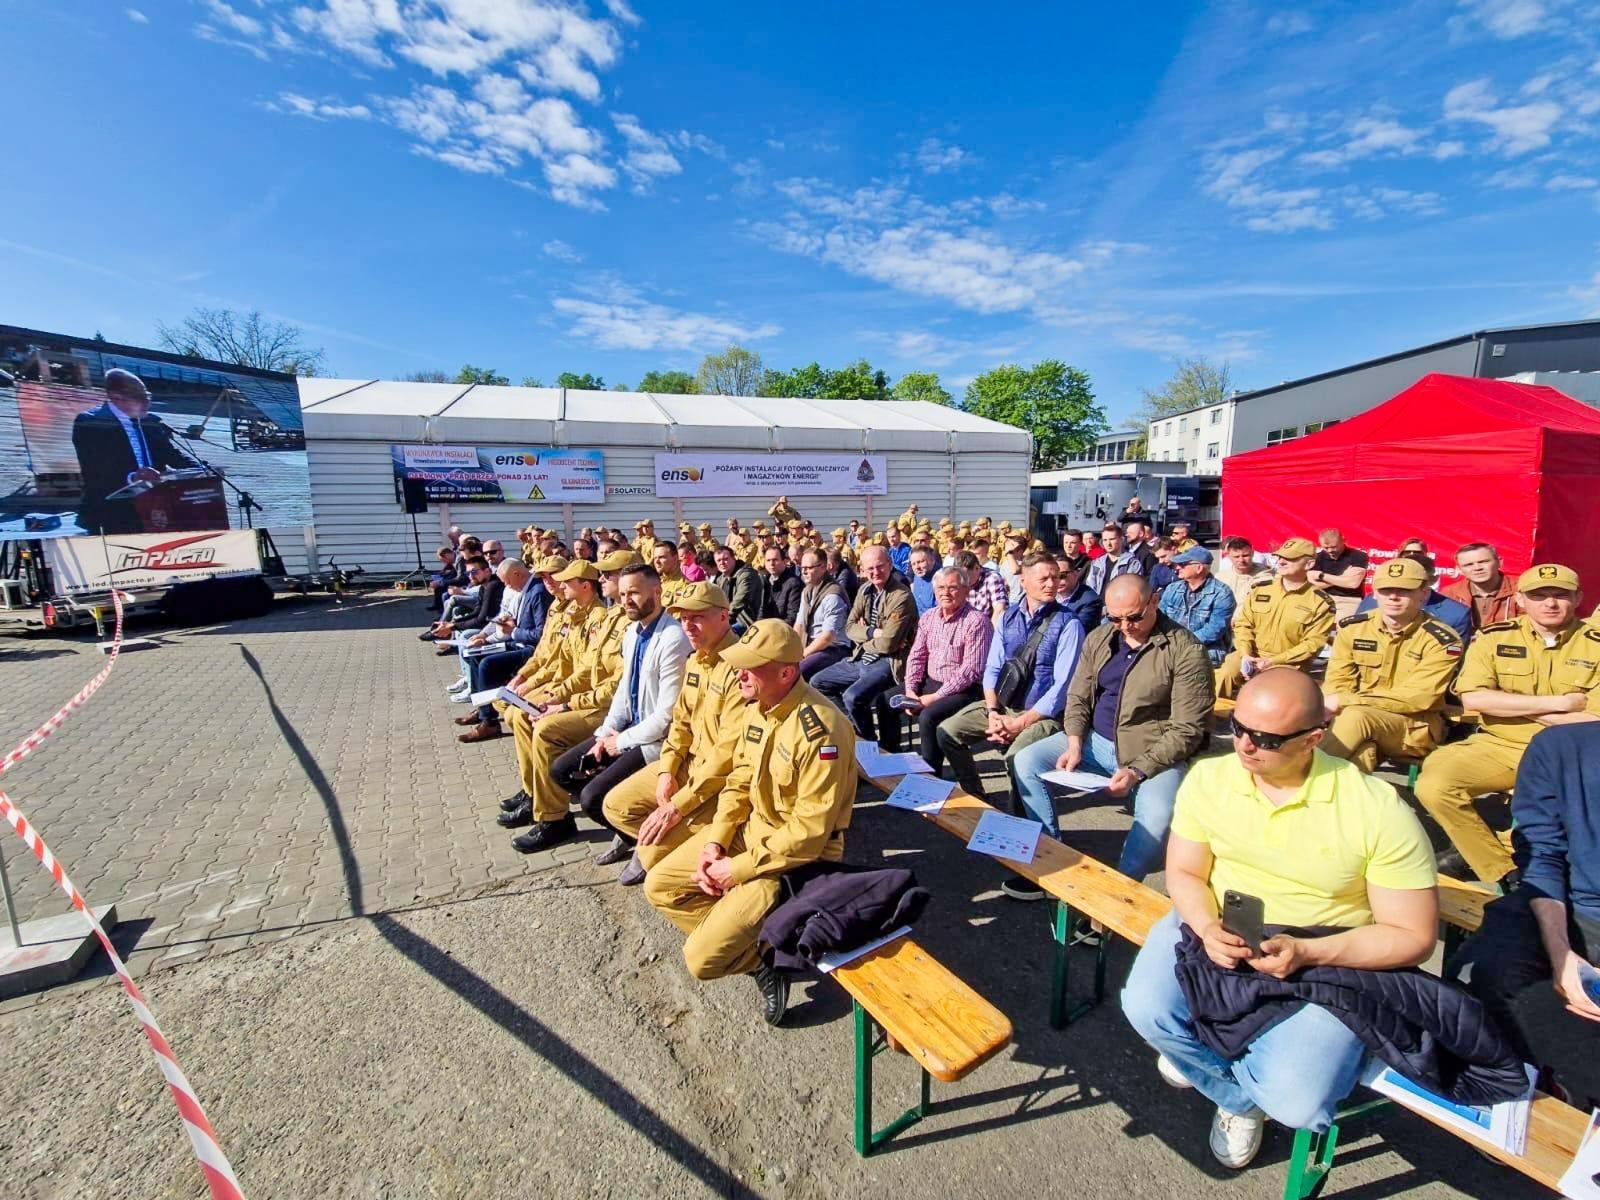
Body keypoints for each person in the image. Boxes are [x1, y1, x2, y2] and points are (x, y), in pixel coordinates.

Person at [1121, 668, 1438, 1171]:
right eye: (1239, 729)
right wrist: (1205, 927)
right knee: (1146, 1010)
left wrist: (1311, 950)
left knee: (1297, 1104)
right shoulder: (1211, 777)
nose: (1245, 746)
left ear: (1314, 738)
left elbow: (1414, 935)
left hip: (1327, 948)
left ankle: (1223, 1068)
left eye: (1266, 739)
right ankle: (1239, 1099)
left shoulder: (1375, 808)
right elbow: (1183, 871)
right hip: (1224, 920)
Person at [643, 619, 856, 1025]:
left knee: (701, 959)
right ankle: (761, 952)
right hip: (748, 835)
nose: (740, 672)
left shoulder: (822, 731)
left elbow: (809, 836)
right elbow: (739, 784)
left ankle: (773, 948)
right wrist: (715, 844)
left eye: (751, 666)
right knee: (660, 886)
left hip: (789, 862)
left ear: (786, 672)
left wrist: (734, 871)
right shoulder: (760, 709)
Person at [1011, 575, 1213, 889]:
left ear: (1154, 601)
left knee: (1156, 820)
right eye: (1114, 617)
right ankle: (1050, 856)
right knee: (1025, 762)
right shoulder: (1101, 637)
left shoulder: (1185, 649)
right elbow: (1079, 694)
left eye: (1133, 617)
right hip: (1095, 740)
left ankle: (1119, 890)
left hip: (1152, 752)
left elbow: (1188, 728)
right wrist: (1075, 740)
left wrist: (1137, 770)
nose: (1124, 625)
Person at [1415, 564, 1600, 885]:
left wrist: (1512, 703)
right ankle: (1503, 870)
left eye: (1560, 595)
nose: (1550, 603)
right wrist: (1558, 703)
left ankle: (1512, 855)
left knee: (1570, 804)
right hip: (1500, 745)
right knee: (1434, 784)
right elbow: (1474, 699)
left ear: (1579, 598)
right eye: (1539, 596)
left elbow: (1592, 718)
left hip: (1570, 752)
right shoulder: (1493, 638)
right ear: (1520, 600)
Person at [1452, 724, 1600, 1094]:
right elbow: (1541, 857)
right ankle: (1532, 1082)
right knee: (1489, 970)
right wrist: (1562, 954)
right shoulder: (1562, 748)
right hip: (1571, 906)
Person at [601, 583, 748, 885]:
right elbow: (680, 724)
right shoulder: (695, 660)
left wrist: (677, 807)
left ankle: (677, 849)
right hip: (687, 765)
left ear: (723, 616)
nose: (688, 627)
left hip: (717, 783)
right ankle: (664, 841)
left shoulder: (740, 669)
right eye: (683, 618)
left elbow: (727, 756)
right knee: (614, 806)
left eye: (697, 617)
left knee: (654, 857)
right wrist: (668, 771)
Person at [541, 564, 692, 856]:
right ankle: (626, 828)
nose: (626, 601)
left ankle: (646, 845)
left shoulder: (673, 638)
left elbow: (665, 717)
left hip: (654, 741)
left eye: (634, 593)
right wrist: (603, 735)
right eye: (622, 594)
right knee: (562, 770)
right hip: (627, 729)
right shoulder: (633, 632)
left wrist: (618, 743)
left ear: (657, 592)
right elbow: (625, 689)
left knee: (591, 799)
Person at [935, 555, 1083, 839]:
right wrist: (993, 712)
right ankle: (976, 796)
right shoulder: (1008, 617)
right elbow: (992, 668)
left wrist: (1019, 723)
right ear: (1023, 581)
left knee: (1017, 758)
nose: (1052, 584)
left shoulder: (1069, 624)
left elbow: (1063, 687)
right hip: (1003, 705)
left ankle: (1018, 827)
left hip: (1043, 714)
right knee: (947, 732)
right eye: (1044, 578)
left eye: (1056, 577)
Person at [497, 561, 622, 836]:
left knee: (543, 729)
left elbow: (608, 682)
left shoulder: (603, 618)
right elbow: (554, 658)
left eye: (564, 580)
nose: (557, 584)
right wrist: (535, 684)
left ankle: (553, 816)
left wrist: (562, 700)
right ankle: (535, 793)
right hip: (581, 693)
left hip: (603, 706)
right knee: (519, 713)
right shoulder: (582, 613)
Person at [1320, 557, 1463, 772]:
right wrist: (1341, 700)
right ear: (1374, 593)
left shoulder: (1442, 640)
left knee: (1357, 716)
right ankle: (1335, 801)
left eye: (1404, 590)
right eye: (1386, 590)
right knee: (1361, 756)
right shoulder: (1353, 628)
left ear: (1424, 593)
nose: (1393, 597)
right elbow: (1337, 679)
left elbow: (1418, 698)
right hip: (1354, 723)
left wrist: (1345, 701)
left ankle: (1298, 781)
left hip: (1413, 727)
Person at [72, 368, 203, 535]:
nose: (147, 403)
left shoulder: (151, 422)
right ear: (116, 397)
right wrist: (133, 477)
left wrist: (201, 470)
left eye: (148, 396)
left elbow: (172, 454)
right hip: (113, 513)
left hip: (157, 506)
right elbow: (94, 470)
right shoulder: (90, 422)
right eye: (141, 398)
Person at [813, 545, 917, 751]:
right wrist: (872, 633)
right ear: (862, 569)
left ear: (889, 565)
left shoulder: (901, 596)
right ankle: (858, 736)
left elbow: (889, 643)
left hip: (890, 661)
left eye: (880, 567)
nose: (875, 572)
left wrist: (866, 635)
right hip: (862, 655)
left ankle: (870, 747)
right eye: (870, 569)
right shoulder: (865, 590)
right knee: (818, 682)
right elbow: (849, 626)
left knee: (853, 696)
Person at [1215, 538, 1336, 699]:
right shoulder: (1262, 589)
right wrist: (1245, 653)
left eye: (1291, 559)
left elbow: (1313, 644)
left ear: (1308, 564)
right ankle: (1213, 719)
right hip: (1251, 654)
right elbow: (1244, 624)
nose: (1282, 561)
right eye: (1280, 557)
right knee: (1224, 675)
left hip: (1288, 663)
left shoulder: (1320, 602)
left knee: (1272, 698)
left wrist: (1272, 661)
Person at [902, 567, 994, 777]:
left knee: (928, 717)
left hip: (965, 689)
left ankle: (932, 777)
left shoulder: (977, 621)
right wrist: (910, 690)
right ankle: (894, 764)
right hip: (932, 680)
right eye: (941, 587)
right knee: (885, 700)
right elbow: (917, 656)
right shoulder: (928, 617)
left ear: (965, 590)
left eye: (953, 588)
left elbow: (970, 671)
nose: (946, 592)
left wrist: (933, 698)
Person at [453, 557, 554, 743]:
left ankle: (489, 723)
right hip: (517, 641)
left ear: (517, 574)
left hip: (531, 649)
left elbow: (540, 634)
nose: (505, 585)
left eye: (507, 580)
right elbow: (505, 617)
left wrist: (513, 631)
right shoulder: (518, 589)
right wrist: (485, 636)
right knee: (476, 656)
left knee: (487, 664)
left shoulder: (538, 592)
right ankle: (484, 709)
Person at [1353, 550, 1473, 643]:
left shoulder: (1455, 614)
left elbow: (1454, 660)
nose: (1393, 596)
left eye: (1410, 584)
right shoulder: (1372, 601)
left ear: (1433, 580)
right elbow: (1355, 638)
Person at [1158, 546, 1235, 665]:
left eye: (1183, 564)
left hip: (1205, 650)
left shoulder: (1222, 593)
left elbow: (1214, 630)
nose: (1177, 568)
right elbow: (1160, 618)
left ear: (1199, 568)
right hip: (1171, 646)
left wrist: (1181, 642)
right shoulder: (1172, 589)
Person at [793, 548, 850, 680]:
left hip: (834, 649)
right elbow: (799, 625)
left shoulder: (833, 595)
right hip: (811, 644)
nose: (804, 572)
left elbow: (827, 638)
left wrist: (801, 655)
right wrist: (792, 649)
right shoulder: (807, 591)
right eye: (802, 568)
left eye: (809, 568)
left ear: (823, 567)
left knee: (796, 672)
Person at [1442, 542, 1519, 631]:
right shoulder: (1449, 594)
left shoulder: (1521, 588)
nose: (1477, 568)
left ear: (1499, 562)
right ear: (1459, 569)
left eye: (1483, 562)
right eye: (1469, 565)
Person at [1307, 528, 1370, 622]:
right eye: (1326, 547)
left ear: (1343, 540)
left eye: (1334, 547)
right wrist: (1343, 577)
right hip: (1320, 598)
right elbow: (1312, 585)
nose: (1330, 550)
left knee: (1345, 628)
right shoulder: (1317, 557)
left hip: (1348, 600)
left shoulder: (1359, 556)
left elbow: (1353, 583)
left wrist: (1321, 576)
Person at [711, 544, 764, 632]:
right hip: (730, 618)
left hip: (747, 621)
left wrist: (723, 618)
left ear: (733, 558)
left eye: (725, 559)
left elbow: (740, 600)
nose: (722, 563)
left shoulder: (747, 575)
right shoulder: (721, 579)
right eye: (719, 560)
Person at [1085, 524, 1143, 594]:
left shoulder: (1132, 563)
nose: (1108, 543)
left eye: (1112, 539)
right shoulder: (1097, 563)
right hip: (1097, 603)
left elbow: (1133, 589)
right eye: (1105, 540)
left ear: (1121, 539)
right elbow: (1090, 585)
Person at [1215, 536, 1271, 607]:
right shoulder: (1221, 578)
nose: (1241, 560)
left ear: (1252, 553)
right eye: (1236, 557)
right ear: (1228, 556)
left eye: (1245, 556)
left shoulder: (1267, 576)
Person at [957, 548, 1008, 625]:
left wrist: (990, 633)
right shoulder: (956, 578)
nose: (963, 581)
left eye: (966, 577)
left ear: (977, 568)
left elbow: (999, 610)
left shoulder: (992, 578)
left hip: (986, 626)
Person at [759, 544, 803, 626]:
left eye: (775, 560)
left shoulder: (794, 584)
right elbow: (760, 611)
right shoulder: (764, 581)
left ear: (784, 561)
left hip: (783, 631)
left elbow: (792, 618)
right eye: (768, 560)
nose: (771, 563)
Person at [907, 546, 938, 614]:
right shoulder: (916, 578)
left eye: (920, 562)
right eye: (913, 564)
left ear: (932, 561)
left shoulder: (941, 579)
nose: (917, 567)